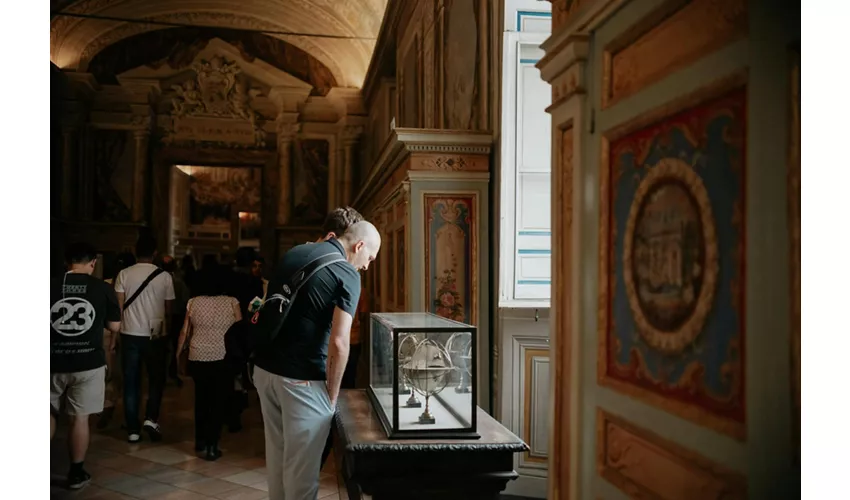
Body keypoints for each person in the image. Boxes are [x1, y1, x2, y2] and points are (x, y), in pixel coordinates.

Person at [254, 221, 381, 499]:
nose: (367, 266)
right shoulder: (347, 273)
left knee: (277, 461)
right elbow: (340, 342)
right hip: (302, 380)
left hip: (265, 370)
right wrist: (331, 397)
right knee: (302, 475)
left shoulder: (296, 252)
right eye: (369, 258)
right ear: (359, 246)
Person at [51, 242, 121, 489]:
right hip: (87, 362)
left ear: (66, 262)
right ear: (93, 262)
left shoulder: (48, 284)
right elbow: (114, 327)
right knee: (79, 418)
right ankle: (76, 473)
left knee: (47, 413)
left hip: (50, 359)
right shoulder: (102, 288)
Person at [114, 237, 175, 443]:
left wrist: (115, 336)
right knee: (156, 379)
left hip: (129, 332)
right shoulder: (165, 276)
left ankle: (132, 429)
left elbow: (119, 308)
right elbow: (169, 310)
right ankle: (151, 418)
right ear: (155, 253)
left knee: (131, 381)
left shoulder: (124, 274)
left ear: (135, 251)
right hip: (155, 334)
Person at [176, 268, 241, 461]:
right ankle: (213, 446)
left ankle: (200, 441)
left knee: (201, 400)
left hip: (198, 357)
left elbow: (184, 332)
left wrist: (177, 355)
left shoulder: (193, 302)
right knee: (218, 402)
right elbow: (239, 329)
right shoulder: (232, 302)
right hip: (223, 357)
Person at [97, 252, 136, 430]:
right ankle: (123, 413)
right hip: (128, 332)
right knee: (124, 375)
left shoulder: (103, 285)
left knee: (108, 373)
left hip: (106, 332)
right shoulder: (132, 284)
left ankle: (107, 407)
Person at [162, 255, 190, 388]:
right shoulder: (178, 281)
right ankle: (172, 373)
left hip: (160, 317)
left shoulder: (157, 280)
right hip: (177, 317)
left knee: (161, 346)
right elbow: (186, 300)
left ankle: (161, 374)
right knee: (174, 346)